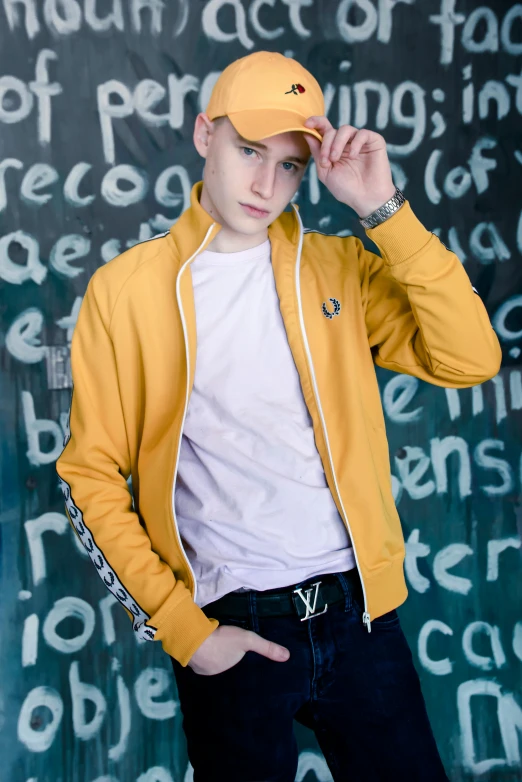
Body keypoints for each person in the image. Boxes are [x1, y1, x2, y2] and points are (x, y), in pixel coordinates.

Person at [56, 51, 501, 781]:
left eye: (291, 166)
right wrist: (187, 633)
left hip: (362, 618)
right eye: (249, 151)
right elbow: (89, 474)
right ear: (206, 135)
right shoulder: (127, 290)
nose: (267, 184)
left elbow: (470, 357)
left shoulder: (338, 268)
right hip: (235, 629)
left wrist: (383, 211)